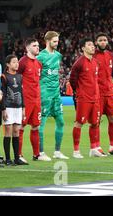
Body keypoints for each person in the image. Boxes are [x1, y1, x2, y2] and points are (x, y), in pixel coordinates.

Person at [70, 38, 105, 158]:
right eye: (89, 45)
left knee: (95, 123)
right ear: (83, 48)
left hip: (95, 98)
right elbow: (72, 80)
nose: (93, 47)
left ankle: (93, 148)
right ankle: (76, 151)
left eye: (92, 45)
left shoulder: (96, 62)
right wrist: (79, 92)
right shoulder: (79, 63)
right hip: (84, 98)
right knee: (79, 123)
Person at [37, 31, 68, 160]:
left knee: (61, 122)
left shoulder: (58, 55)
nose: (57, 43)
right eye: (54, 41)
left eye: (57, 41)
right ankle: (40, 153)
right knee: (41, 124)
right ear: (47, 41)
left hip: (56, 94)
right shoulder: (40, 57)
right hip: (45, 94)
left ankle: (57, 151)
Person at [93, 33, 113, 155]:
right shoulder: (93, 55)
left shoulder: (110, 55)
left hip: (109, 93)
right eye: (100, 40)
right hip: (98, 93)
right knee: (97, 121)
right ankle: (97, 147)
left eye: (105, 40)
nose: (103, 42)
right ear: (96, 42)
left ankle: (112, 147)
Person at [18, 38, 47, 162]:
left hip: (36, 100)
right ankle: (18, 155)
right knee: (20, 127)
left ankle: (36, 154)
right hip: (25, 101)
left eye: (38, 45)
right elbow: (15, 79)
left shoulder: (39, 63)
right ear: (27, 48)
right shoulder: (22, 62)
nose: (37, 47)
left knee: (35, 127)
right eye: (34, 45)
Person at [1, 55, 28, 165]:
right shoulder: (4, 76)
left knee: (16, 131)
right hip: (8, 107)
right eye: (14, 62)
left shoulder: (20, 76)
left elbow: (21, 93)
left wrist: (23, 108)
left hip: (18, 108)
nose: (17, 64)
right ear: (7, 64)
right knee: (8, 132)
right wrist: (3, 110)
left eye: (17, 62)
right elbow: (2, 94)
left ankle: (16, 158)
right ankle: (8, 159)